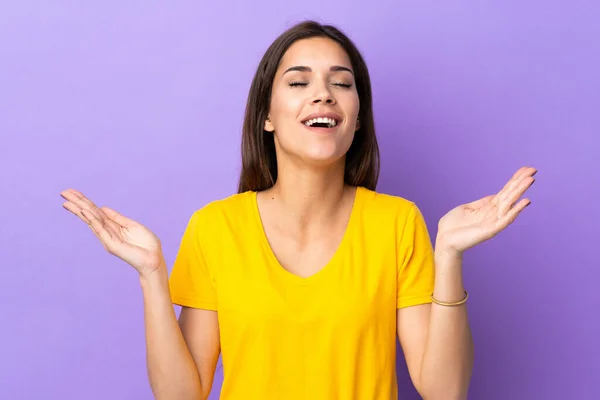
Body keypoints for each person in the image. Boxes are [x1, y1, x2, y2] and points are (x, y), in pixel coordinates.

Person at [60, 20, 536, 400]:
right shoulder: (215, 228)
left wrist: (449, 255)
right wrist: (151, 276)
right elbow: (183, 395)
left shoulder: (397, 223)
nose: (324, 92)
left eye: (342, 83)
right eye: (299, 81)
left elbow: (445, 391)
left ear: (355, 120)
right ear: (267, 116)